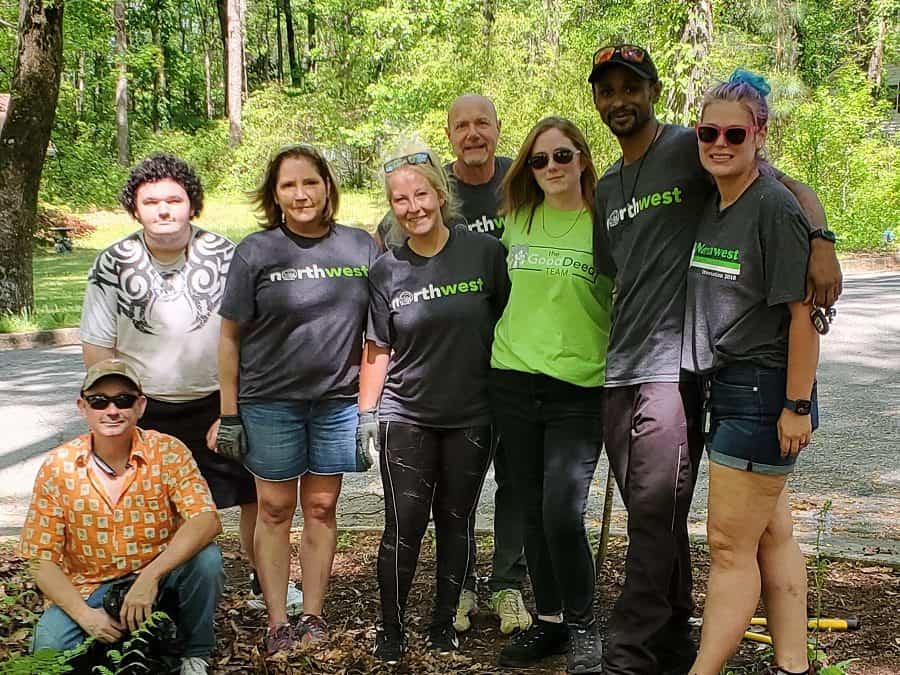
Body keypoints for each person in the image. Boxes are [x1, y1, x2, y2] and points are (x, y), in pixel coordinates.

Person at [588, 44, 842, 674]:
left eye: (632, 86)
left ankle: (648, 660)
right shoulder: (622, 185)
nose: (619, 99)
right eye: (607, 89)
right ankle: (783, 661)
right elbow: (615, 272)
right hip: (673, 370)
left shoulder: (706, 160)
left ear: (653, 91)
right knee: (757, 532)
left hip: (706, 380)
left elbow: (782, 189)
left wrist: (823, 240)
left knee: (705, 536)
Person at [78, 154, 284, 613]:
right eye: (151, 201)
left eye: (175, 199)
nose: (164, 209)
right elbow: (97, 349)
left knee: (254, 496)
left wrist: (234, 411)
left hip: (221, 399)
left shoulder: (229, 256)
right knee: (158, 505)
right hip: (147, 407)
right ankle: (165, 589)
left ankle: (262, 581)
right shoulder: (113, 263)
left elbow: (253, 337)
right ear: (135, 209)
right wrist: (114, 409)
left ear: (193, 204)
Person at [376, 94, 531, 637]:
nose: (473, 133)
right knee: (424, 514)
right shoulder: (398, 236)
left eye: (481, 123)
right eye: (461, 125)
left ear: (496, 127)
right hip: (418, 398)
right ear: (449, 136)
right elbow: (380, 321)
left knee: (503, 489)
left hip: (493, 386)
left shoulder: (521, 182)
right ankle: (442, 598)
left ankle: (505, 586)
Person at [216, 143, 379, 655]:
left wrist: (370, 409)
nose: (301, 193)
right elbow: (229, 338)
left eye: (310, 182)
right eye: (289, 185)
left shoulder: (360, 248)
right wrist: (228, 414)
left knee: (322, 505)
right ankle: (277, 620)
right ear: (275, 194)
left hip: (336, 401)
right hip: (269, 402)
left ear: (328, 186)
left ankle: (313, 615)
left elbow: (382, 329)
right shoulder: (256, 252)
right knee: (274, 508)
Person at [684, 70, 817, 675]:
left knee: (727, 547)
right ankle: (793, 664)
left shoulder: (772, 208)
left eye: (733, 134)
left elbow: (803, 317)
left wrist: (795, 405)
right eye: (708, 131)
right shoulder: (719, 201)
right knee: (771, 535)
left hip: (763, 392)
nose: (719, 142)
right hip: (732, 383)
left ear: (758, 134)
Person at [358, 145, 510, 663]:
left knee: (456, 519)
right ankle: (391, 630)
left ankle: (444, 623)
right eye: (400, 199)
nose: (413, 206)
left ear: (441, 196)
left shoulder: (485, 255)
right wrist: (366, 416)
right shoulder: (385, 271)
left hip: (473, 413)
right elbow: (378, 348)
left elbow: (511, 327)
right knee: (404, 524)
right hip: (407, 415)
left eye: (421, 194)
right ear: (392, 208)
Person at [489, 116, 613, 674]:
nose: (551, 168)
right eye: (539, 161)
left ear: (583, 158)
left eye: (562, 156)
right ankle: (550, 622)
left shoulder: (605, 223)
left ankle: (586, 625)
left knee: (563, 511)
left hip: (580, 387)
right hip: (513, 379)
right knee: (532, 513)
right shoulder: (517, 218)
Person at [19, 358, 224, 675]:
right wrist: (87, 617)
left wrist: (150, 577)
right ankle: (117, 641)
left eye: (123, 400)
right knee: (48, 651)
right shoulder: (58, 466)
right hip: (90, 587)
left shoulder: (168, 451)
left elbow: (206, 520)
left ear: (141, 406)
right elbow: (38, 557)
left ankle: (195, 653)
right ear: (82, 407)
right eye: (99, 401)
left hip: (158, 573)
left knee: (206, 561)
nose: (112, 410)